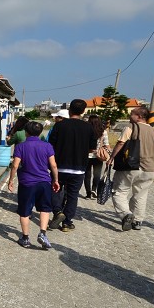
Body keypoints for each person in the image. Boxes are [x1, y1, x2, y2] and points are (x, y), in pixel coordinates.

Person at [107, 106, 154, 231]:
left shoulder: (131, 127)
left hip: (130, 167)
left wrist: (111, 157)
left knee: (119, 192)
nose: (130, 115)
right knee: (141, 195)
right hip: (149, 170)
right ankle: (138, 221)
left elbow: (121, 143)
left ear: (139, 116)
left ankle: (126, 215)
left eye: (132, 113)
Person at [6, 121, 61, 250]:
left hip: (27, 183)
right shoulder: (47, 146)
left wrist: (10, 180)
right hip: (44, 182)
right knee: (45, 209)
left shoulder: (21, 147)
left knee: (25, 211)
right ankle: (43, 233)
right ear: (40, 132)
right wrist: (56, 180)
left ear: (26, 132)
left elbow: (15, 165)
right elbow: (53, 165)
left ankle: (25, 238)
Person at [47, 99, 96, 232]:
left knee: (54, 189)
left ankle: (58, 212)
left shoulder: (60, 126)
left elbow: (50, 145)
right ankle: (67, 223)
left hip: (59, 166)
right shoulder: (88, 127)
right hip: (79, 168)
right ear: (83, 111)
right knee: (73, 195)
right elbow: (92, 148)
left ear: (69, 110)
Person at [83, 115, 109, 199]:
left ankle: (88, 193)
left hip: (86, 155)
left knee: (87, 175)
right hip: (98, 156)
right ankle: (94, 189)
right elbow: (107, 144)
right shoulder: (103, 132)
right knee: (97, 174)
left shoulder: (86, 130)